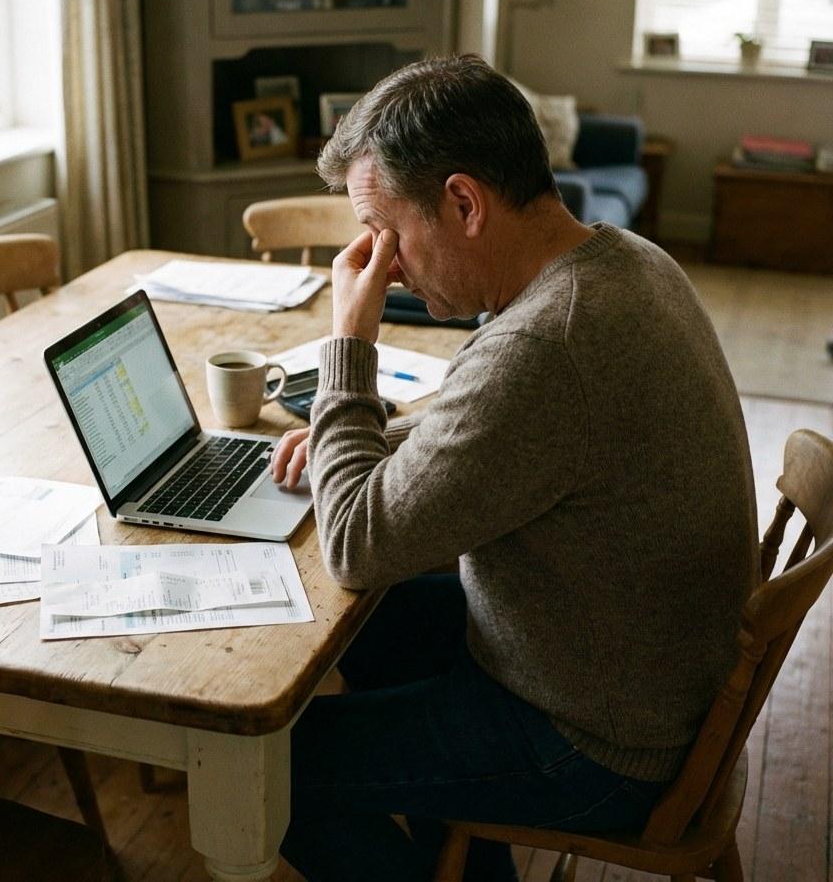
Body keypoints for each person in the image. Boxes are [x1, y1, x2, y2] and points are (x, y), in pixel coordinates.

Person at [269, 54, 757, 881]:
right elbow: (507, 433)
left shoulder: (545, 344)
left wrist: (347, 347)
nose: (384, 265)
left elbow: (354, 544)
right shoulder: (622, 258)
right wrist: (375, 439)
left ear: (463, 203)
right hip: (634, 673)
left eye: (386, 234)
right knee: (370, 629)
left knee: (274, 772)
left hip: (598, 743)